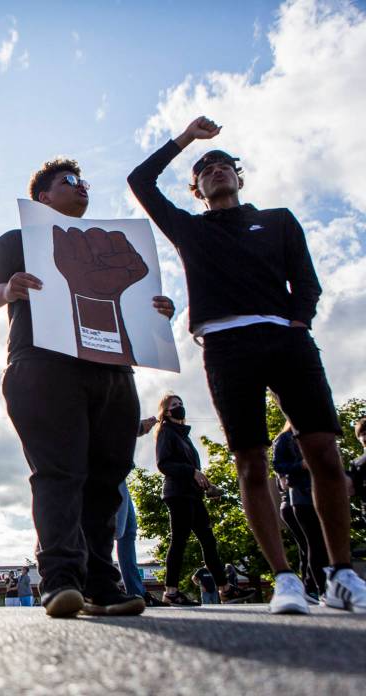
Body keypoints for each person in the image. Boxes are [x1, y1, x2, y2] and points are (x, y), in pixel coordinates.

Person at [128, 115, 366, 614]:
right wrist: (188, 138)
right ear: (196, 188)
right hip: (226, 346)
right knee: (250, 460)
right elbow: (139, 181)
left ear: (239, 176)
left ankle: (341, 574)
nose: (215, 170)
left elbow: (307, 281)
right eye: (205, 169)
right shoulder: (189, 230)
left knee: (322, 451)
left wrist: (298, 323)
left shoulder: (278, 220)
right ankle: (284, 580)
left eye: (223, 165)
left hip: (286, 340)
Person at [0, 157, 175, 618]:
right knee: (60, 472)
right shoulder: (19, 240)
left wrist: (155, 308)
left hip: (112, 370)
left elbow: (138, 297)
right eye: (69, 182)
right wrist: (6, 290)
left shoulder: (119, 245)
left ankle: (103, 582)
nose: (81, 188)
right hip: (43, 366)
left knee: (108, 475)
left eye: (84, 183)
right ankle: (61, 580)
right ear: (43, 196)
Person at [155, 394, 254, 606]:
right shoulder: (166, 432)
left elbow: (194, 472)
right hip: (178, 495)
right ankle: (171, 591)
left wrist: (209, 486)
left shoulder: (184, 437)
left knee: (209, 541)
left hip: (193, 495)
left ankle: (225, 589)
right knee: (179, 541)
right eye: (174, 405)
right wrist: (191, 471)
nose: (180, 407)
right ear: (166, 412)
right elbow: (164, 464)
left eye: (181, 403)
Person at [272, 423, 328, 598]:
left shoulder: (315, 436)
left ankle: (309, 586)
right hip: (297, 498)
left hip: (315, 495)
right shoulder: (285, 439)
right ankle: (317, 587)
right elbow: (278, 465)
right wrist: (301, 464)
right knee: (313, 543)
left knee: (309, 545)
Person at [116, 417, 166, 607]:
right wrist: (138, 426)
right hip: (107, 468)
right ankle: (90, 585)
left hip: (120, 470)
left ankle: (136, 591)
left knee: (128, 531)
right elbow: (109, 423)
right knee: (111, 529)